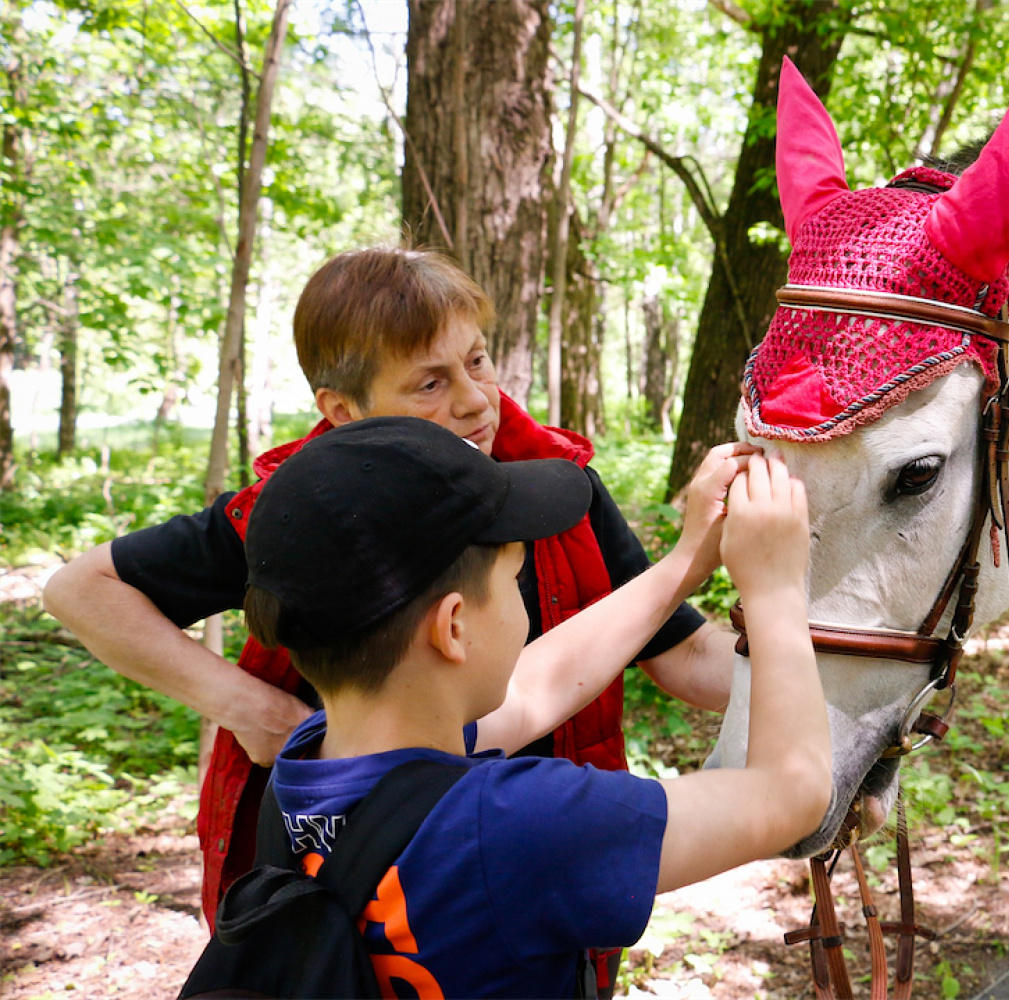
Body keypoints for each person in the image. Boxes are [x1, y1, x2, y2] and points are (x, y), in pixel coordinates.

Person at [41, 248, 745, 945]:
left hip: (535, 861)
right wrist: (255, 712)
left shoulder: (554, 488)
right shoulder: (301, 515)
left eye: (477, 361)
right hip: (349, 899)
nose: (476, 400)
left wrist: (828, 668)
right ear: (343, 409)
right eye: (429, 383)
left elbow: (680, 652)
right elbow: (83, 590)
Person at [240, 416, 828, 999]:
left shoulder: (310, 766)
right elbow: (791, 794)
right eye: (514, 579)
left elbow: (536, 688)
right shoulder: (523, 825)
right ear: (453, 628)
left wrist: (685, 562)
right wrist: (774, 585)